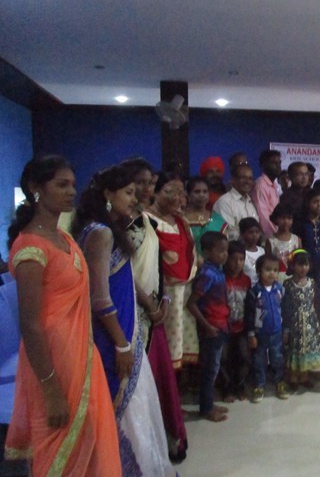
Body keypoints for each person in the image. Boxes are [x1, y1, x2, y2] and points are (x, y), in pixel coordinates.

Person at [5, 155, 121, 476]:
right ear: (36, 189)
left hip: (80, 352)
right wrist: (51, 389)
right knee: (59, 446)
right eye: (61, 185)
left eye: (72, 184)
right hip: (53, 360)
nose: (71, 191)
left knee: (89, 435)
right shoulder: (31, 248)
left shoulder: (64, 238)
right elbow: (30, 324)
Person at [73, 165, 176, 476]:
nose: (135, 198)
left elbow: (125, 280)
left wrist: (152, 304)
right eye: (129, 193)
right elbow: (100, 299)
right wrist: (121, 345)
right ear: (108, 194)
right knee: (127, 407)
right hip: (115, 336)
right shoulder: (101, 233)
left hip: (125, 330)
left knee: (135, 406)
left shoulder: (105, 229)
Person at [121, 157, 188, 462]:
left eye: (150, 182)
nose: (146, 188)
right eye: (141, 183)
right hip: (132, 311)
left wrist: (161, 301)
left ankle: (160, 443)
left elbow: (157, 266)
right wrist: (148, 304)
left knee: (158, 379)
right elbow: (121, 271)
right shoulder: (121, 223)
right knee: (136, 384)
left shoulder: (144, 219)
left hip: (153, 310)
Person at [146, 172, 198, 369]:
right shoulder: (145, 219)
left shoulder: (180, 220)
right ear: (155, 192)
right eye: (170, 192)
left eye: (180, 192)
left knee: (183, 344)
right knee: (164, 346)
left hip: (185, 292)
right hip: (162, 293)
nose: (177, 198)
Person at [186, 232, 230, 422]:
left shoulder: (217, 270)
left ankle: (209, 403)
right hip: (212, 327)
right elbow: (192, 303)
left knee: (214, 367)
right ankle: (206, 408)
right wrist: (207, 326)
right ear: (207, 252)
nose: (225, 254)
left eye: (226, 250)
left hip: (220, 325)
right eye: (220, 251)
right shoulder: (207, 274)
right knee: (209, 369)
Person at [245, 254, 289, 403]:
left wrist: (286, 330)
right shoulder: (254, 292)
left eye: (275, 270)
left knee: (278, 358)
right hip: (260, 334)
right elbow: (249, 315)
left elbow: (285, 311)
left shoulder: (280, 290)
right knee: (259, 360)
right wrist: (251, 334)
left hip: (277, 333)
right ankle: (259, 384)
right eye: (268, 269)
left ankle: (279, 381)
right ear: (259, 271)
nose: (272, 273)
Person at [282, 249, 320, 390]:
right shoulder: (288, 284)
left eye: (306, 264)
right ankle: (294, 378)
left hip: (310, 322)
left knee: (307, 349)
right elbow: (285, 306)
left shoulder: (312, 283)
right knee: (295, 349)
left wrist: (319, 321)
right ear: (293, 265)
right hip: (294, 323)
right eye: (299, 265)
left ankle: (305, 377)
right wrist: (286, 328)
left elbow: (316, 303)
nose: (303, 268)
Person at [293, 188, 320, 325]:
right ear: (308, 203)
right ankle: (309, 322)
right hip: (308, 264)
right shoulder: (301, 223)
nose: (319, 205)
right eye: (315, 201)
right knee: (310, 292)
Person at [220, 240, 252, 402]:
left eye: (241, 259)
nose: (238, 263)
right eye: (234, 259)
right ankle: (226, 389)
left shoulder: (246, 280)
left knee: (244, 357)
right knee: (224, 359)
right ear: (226, 259)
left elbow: (250, 305)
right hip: (223, 327)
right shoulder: (220, 278)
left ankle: (240, 386)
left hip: (242, 327)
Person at [213, 163, 259, 240]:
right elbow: (226, 233)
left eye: (250, 178)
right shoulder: (224, 202)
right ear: (233, 180)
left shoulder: (250, 202)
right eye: (243, 178)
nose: (247, 181)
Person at [184, 176, 228, 255]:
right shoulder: (182, 219)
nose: (201, 195)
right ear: (188, 195)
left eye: (205, 192)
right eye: (197, 192)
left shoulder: (217, 219)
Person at [265, 203, 301, 284]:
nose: (286, 221)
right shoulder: (271, 241)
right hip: (276, 280)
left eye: (289, 218)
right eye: (282, 218)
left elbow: (300, 261)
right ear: (276, 219)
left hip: (294, 279)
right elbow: (267, 264)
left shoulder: (296, 240)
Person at [251, 150, 282, 238]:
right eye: (274, 163)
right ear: (263, 165)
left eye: (279, 163)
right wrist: (274, 236)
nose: (278, 166)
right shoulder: (261, 185)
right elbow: (263, 216)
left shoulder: (274, 185)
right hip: (268, 237)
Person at [239, 217, 265, 285]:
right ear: (242, 234)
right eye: (250, 232)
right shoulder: (240, 252)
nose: (254, 235)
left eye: (257, 232)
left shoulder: (262, 251)